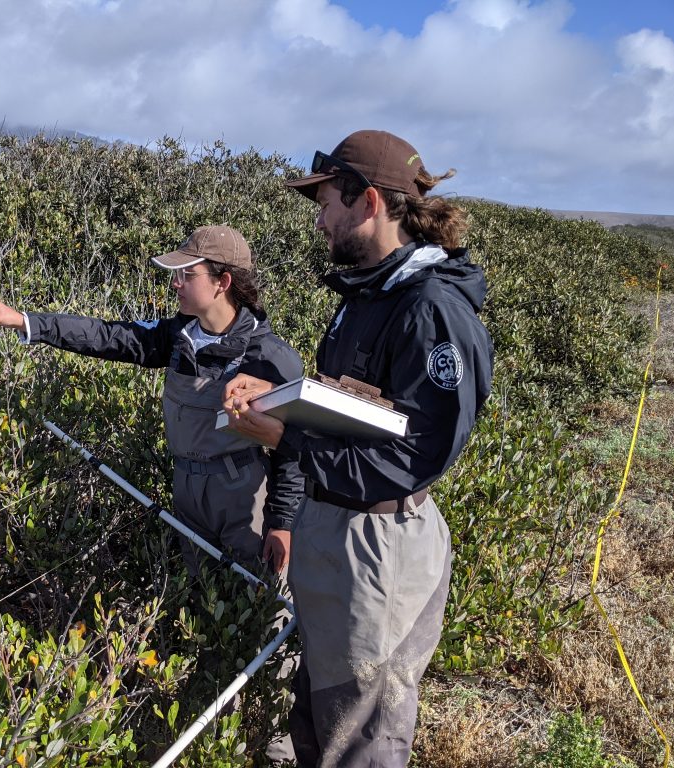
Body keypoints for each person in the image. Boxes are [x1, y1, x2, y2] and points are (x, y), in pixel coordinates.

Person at [222, 130, 494, 767]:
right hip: (334, 536)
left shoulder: (432, 312)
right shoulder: (365, 295)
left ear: (369, 201)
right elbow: (357, 412)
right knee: (321, 719)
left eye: (326, 203)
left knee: (362, 738)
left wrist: (286, 434)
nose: (318, 219)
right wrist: (284, 396)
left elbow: (418, 455)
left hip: (379, 553)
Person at [0, 224, 304, 578]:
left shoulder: (270, 356)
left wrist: (282, 523)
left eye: (187, 275)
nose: (175, 283)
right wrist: (24, 321)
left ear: (222, 282)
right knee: (201, 594)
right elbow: (105, 335)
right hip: (186, 489)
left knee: (257, 600)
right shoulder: (177, 336)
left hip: (242, 495)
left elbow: (293, 451)